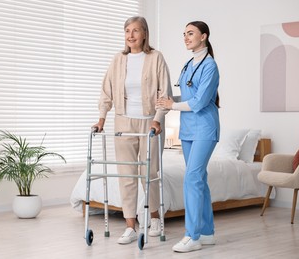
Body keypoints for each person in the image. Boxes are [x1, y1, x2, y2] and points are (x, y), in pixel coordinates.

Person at [92, 16, 172, 245]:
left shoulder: (156, 57)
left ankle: (155, 218)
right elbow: (106, 92)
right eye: (127, 30)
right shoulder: (118, 60)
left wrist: (158, 119)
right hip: (123, 122)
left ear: (145, 34)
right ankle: (130, 226)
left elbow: (164, 91)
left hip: (150, 123)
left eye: (136, 30)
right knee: (126, 174)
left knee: (151, 173)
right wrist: (101, 119)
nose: (131, 35)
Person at [157, 21, 220, 253]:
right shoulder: (187, 64)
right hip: (188, 130)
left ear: (203, 36)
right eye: (184, 34)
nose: (186, 37)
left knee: (192, 178)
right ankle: (207, 232)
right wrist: (166, 100)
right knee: (199, 179)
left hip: (205, 128)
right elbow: (185, 96)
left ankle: (192, 236)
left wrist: (172, 105)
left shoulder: (210, 66)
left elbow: (200, 102)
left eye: (190, 33)